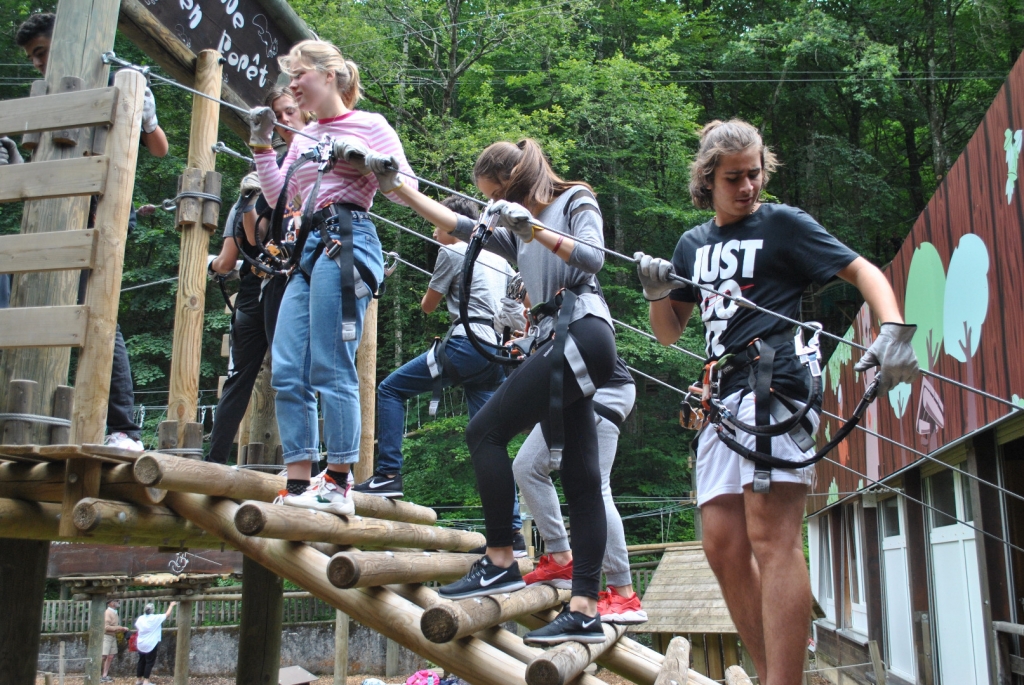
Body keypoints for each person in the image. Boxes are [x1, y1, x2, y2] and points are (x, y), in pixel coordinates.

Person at [636, 119, 919, 685]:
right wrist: (656, 293)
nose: (748, 187)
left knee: (772, 535)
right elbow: (669, 333)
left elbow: (862, 269)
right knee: (720, 543)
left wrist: (893, 329)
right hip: (720, 396)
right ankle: (770, 673)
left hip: (777, 384)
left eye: (755, 174)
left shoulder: (783, 224)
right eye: (734, 178)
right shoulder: (692, 244)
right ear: (707, 181)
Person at [371, 138, 618, 645]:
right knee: (580, 472)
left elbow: (594, 258)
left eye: (493, 193)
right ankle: (586, 607)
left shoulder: (574, 200)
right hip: (560, 340)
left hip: (583, 330)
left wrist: (536, 230)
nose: (492, 204)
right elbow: (460, 227)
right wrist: (399, 189)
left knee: (484, 430)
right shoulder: (517, 228)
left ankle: (501, 558)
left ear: (515, 180)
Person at [249, 40, 417, 515]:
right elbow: (284, 195)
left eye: (298, 75)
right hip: (307, 249)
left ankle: (340, 480)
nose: (292, 86)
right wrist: (263, 146)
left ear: (329, 75)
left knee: (330, 361)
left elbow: (406, 191)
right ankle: (300, 481)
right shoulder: (303, 137)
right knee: (286, 367)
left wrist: (369, 160)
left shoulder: (370, 125)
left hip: (348, 238)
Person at [13, 12, 169, 451]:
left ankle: (123, 429)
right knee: (38, 304)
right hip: (54, 207)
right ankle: (36, 412)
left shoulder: (108, 81)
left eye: (42, 52)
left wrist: (146, 116)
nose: (39, 63)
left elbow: (159, 149)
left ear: (63, 43)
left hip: (99, 208)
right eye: (33, 58)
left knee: (98, 313)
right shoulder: (45, 95)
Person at [206, 87, 309, 464]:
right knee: (291, 376)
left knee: (249, 379)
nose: (284, 123)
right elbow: (254, 239)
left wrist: (215, 264)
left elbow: (240, 247)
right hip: (272, 288)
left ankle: (215, 461)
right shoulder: (283, 178)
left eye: (288, 114)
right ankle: (304, 468)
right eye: (278, 117)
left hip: (265, 288)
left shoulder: (277, 179)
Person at [514, 355, 647, 624]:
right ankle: (561, 559)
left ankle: (624, 594)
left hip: (600, 388)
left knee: (596, 489)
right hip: (584, 389)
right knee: (527, 466)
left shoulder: (556, 311)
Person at [133, 601, 175, 685]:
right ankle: (146, 681)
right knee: (149, 662)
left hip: (141, 642)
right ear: (153, 610)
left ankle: (138, 679)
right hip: (151, 643)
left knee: (141, 661)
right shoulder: (155, 618)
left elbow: (137, 626)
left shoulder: (140, 618)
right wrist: (171, 605)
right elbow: (167, 614)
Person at [101, 599, 128, 682]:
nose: (118, 602)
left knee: (110, 656)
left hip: (113, 636)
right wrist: (120, 628)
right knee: (103, 656)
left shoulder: (114, 612)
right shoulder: (107, 613)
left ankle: (104, 675)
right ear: (111, 603)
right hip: (106, 636)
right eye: (116, 601)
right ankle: (95, 675)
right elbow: (106, 627)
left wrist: (120, 629)